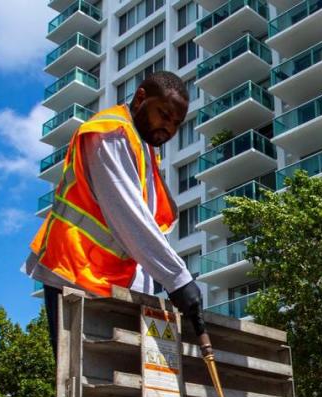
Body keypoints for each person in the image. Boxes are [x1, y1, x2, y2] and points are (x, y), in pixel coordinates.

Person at [24, 72, 204, 354]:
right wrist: (179, 281)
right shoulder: (110, 134)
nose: (168, 128)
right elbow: (129, 217)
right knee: (81, 383)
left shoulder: (142, 147)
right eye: (164, 115)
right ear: (141, 98)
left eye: (176, 123)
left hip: (107, 282)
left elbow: (149, 226)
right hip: (75, 274)